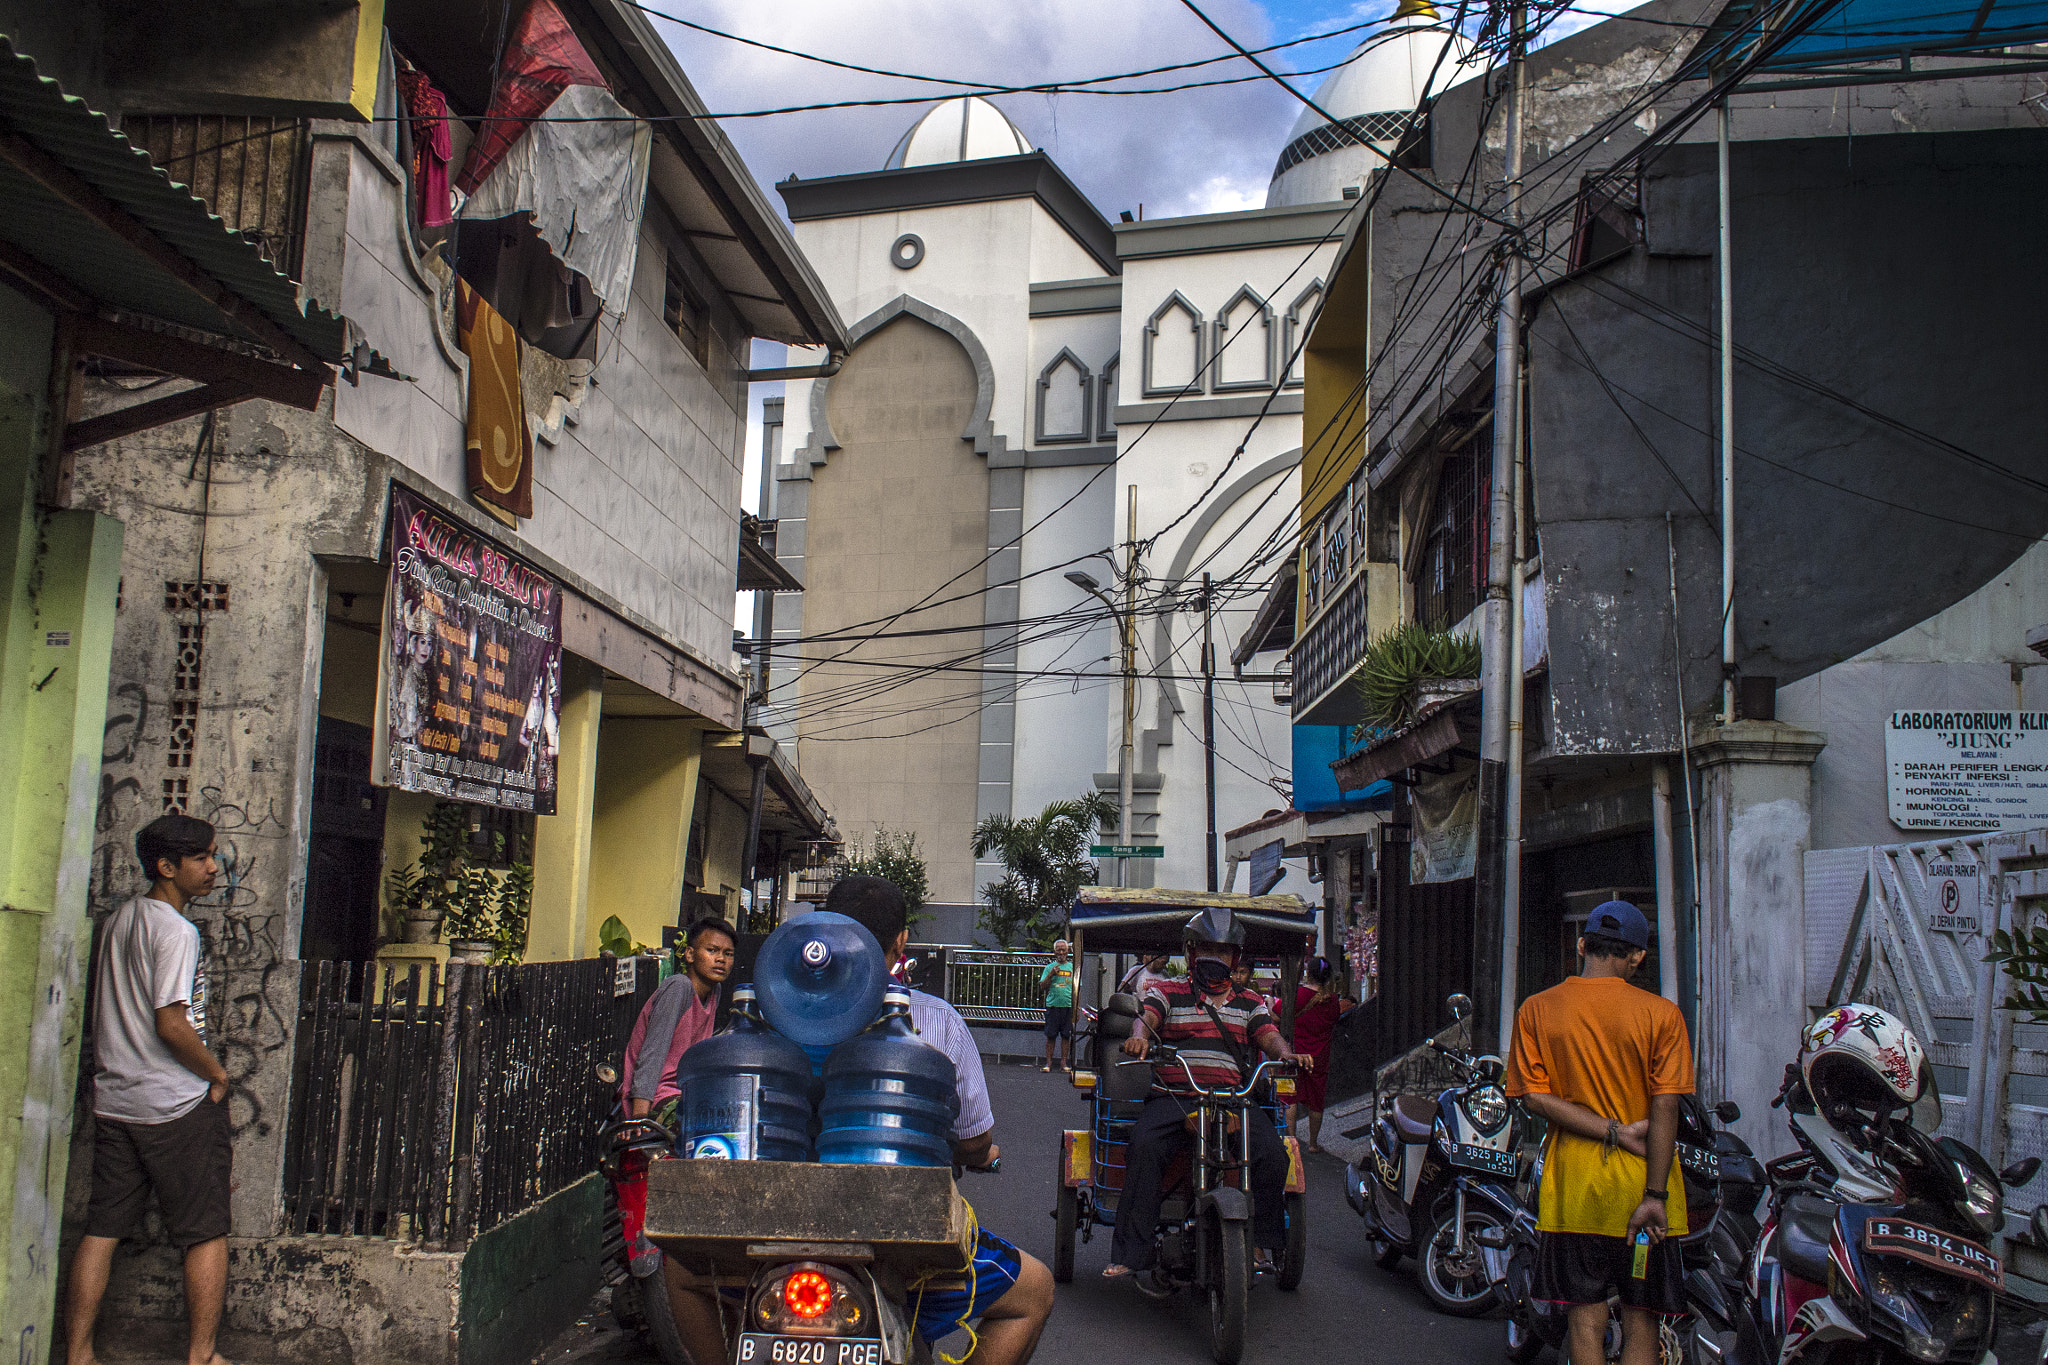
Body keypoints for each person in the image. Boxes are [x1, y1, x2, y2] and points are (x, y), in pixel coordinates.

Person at [664, 877, 1053, 1365]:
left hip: (765, 1224)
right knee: (1033, 1292)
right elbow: (974, 1140)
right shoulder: (934, 1019)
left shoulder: (767, 1015)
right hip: (897, 1229)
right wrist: (973, 1153)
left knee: (680, 1267)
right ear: (900, 943)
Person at [67, 814, 233, 1365]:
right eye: (202, 858)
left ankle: (79, 1354)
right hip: (172, 1105)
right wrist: (216, 1074)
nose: (213, 868)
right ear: (167, 867)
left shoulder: (119, 921)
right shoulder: (175, 931)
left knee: (102, 1230)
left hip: (116, 1103)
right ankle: (202, 1357)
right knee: (205, 1232)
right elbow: (171, 1023)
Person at [1505, 901, 1695, 1365]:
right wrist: (1654, 1193)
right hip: (1642, 1192)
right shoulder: (1662, 1015)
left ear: (1582, 945)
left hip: (1575, 1194)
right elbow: (1666, 1103)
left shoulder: (1537, 1009)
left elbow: (1531, 1096)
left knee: (1585, 1320)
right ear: (1636, 957)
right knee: (1642, 1318)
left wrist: (1609, 1131)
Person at [1107, 908, 1313, 1288]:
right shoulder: (1167, 990)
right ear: (1191, 955)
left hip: (1233, 1101)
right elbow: (1147, 1018)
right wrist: (1140, 1036)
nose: (1214, 959)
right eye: (1207, 950)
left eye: (1223, 952)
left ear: (1234, 959)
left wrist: (1285, 1054)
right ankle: (1131, 1254)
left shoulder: (1250, 1001)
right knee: (1143, 1146)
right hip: (1176, 1097)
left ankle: (1260, 1243)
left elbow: (1268, 1035)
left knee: (1273, 1154)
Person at [619, 917, 736, 1120]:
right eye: (712, 950)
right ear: (690, 954)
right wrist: (639, 1118)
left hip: (688, 1093)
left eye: (728, 954)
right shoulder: (678, 988)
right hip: (657, 1098)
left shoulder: (715, 991)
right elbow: (652, 1054)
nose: (721, 959)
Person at [1287, 956, 1357, 1153]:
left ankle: (1292, 1141)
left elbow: (1277, 1013)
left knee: (1291, 1098)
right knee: (1316, 1103)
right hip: (1319, 1059)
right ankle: (1312, 1143)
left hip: (1295, 1055)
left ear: (1308, 974)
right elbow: (1335, 1019)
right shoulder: (1332, 1000)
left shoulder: (1298, 994)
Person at [1038, 939, 1075, 1073]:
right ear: (1054, 952)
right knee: (1051, 1035)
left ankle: (1063, 1064)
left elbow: (1078, 989)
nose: (1061, 952)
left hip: (1068, 1005)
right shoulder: (1049, 967)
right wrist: (1051, 974)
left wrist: (1076, 1009)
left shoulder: (1073, 967)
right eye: (1058, 950)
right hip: (1053, 1005)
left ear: (1067, 951)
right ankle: (1048, 1064)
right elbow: (1042, 986)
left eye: (1063, 950)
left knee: (1066, 1036)